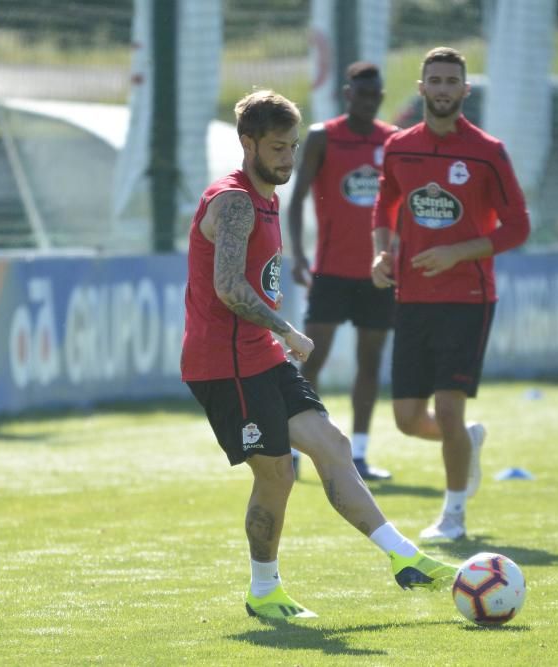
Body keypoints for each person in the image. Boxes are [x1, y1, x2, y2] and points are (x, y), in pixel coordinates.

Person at [181, 90, 456, 620]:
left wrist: (277, 337)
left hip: (258, 353)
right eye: (278, 148)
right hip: (226, 363)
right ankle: (264, 591)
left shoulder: (268, 196)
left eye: (293, 147)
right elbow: (228, 287)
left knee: (332, 444)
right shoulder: (234, 202)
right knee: (277, 474)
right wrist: (288, 330)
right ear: (248, 143)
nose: (288, 159)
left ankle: (405, 559)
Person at [370, 47, 530, 541]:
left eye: (450, 81)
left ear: (464, 90)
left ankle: (454, 515)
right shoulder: (399, 147)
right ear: (421, 89)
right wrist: (381, 254)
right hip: (412, 299)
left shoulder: (488, 151)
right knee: (406, 420)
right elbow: (385, 207)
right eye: (434, 80)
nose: (442, 89)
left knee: (450, 406)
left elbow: (518, 227)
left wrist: (459, 253)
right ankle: (466, 442)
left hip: (468, 300)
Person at [287, 62, 397, 482]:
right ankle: (294, 449)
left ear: (381, 96)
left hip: (378, 273)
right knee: (312, 359)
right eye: (361, 92)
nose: (368, 100)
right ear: (348, 93)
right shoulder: (323, 137)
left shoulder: (394, 141)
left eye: (375, 94)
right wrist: (298, 254)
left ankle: (362, 455)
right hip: (330, 271)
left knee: (369, 362)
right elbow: (296, 199)